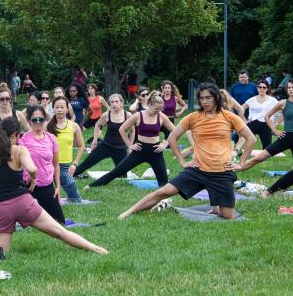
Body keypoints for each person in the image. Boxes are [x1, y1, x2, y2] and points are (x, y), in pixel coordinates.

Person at [0, 117, 108, 258]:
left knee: (1, 250)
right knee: (60, 232)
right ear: (15, 135)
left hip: (0, 207)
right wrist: (33, 179)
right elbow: (32, 168)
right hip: (23, 202)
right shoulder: (19, 150)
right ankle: (95, 248)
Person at [118, 82, 256, 220]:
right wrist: (182, 161)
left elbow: (251, 138)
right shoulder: (193, 117)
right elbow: (172, 138)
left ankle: (217, 206)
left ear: (216, 98)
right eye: (201, 98)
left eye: (208, 98)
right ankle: (127, 213)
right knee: (163, 192)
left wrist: (241, 163)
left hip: (222, 172)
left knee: (228, 216)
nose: (204, 101)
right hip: (198, 170)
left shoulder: (229, 117)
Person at [87, 91, 174, 188]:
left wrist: (165, 144)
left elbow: (174, 131)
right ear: (149, 104)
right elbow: (122, 129)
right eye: (156, 109)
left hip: (156, 152)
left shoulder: (161, 116)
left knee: (164, 184)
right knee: (116, 172)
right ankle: (91, 186)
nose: (159, 111)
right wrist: (130, 145)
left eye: (161, 109)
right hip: (139, 150)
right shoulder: (138, 115)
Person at [237, 78, 293, 170]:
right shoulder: (282, 103)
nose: (290, 89)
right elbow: (267, 116)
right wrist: (275, 130)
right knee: (258, 158)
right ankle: (239, 167)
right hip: (285, 138)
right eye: (289, 87)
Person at [73, 94, 134, 177]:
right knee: (87, 163)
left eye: (116, 102)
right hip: (106, 145)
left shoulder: (128, 115)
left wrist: (130, 146)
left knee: (122, 176)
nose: (114, 104)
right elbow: (97, 125)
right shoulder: (107, 114)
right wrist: (94, 140)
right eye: (112, 102)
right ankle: (70, 175)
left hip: (120, 148)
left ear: (121, 103)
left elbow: (132, 130)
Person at [47, 96, 85, 203]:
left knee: (75, 199)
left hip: (65, 166)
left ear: (67, 109)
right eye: (57, 107)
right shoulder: (47, 126)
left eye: (62, 107)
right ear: (53, 109)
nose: (59, 110)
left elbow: (81, 146)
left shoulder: (74, 126)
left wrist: (75, 164)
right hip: (48, 164)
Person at [233, 80, 278, 153]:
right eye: (260, 87)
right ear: (257, 88)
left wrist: (276, 122)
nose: (262, 89)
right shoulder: (252, 99)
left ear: (267, 89)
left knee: (267, 149)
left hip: (266, 124)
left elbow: (282, 110)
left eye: (264, 87)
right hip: (253, 122)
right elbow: (240, 109)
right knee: (241, 135)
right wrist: (244, 121)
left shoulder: (273, 100)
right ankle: (236, 151)